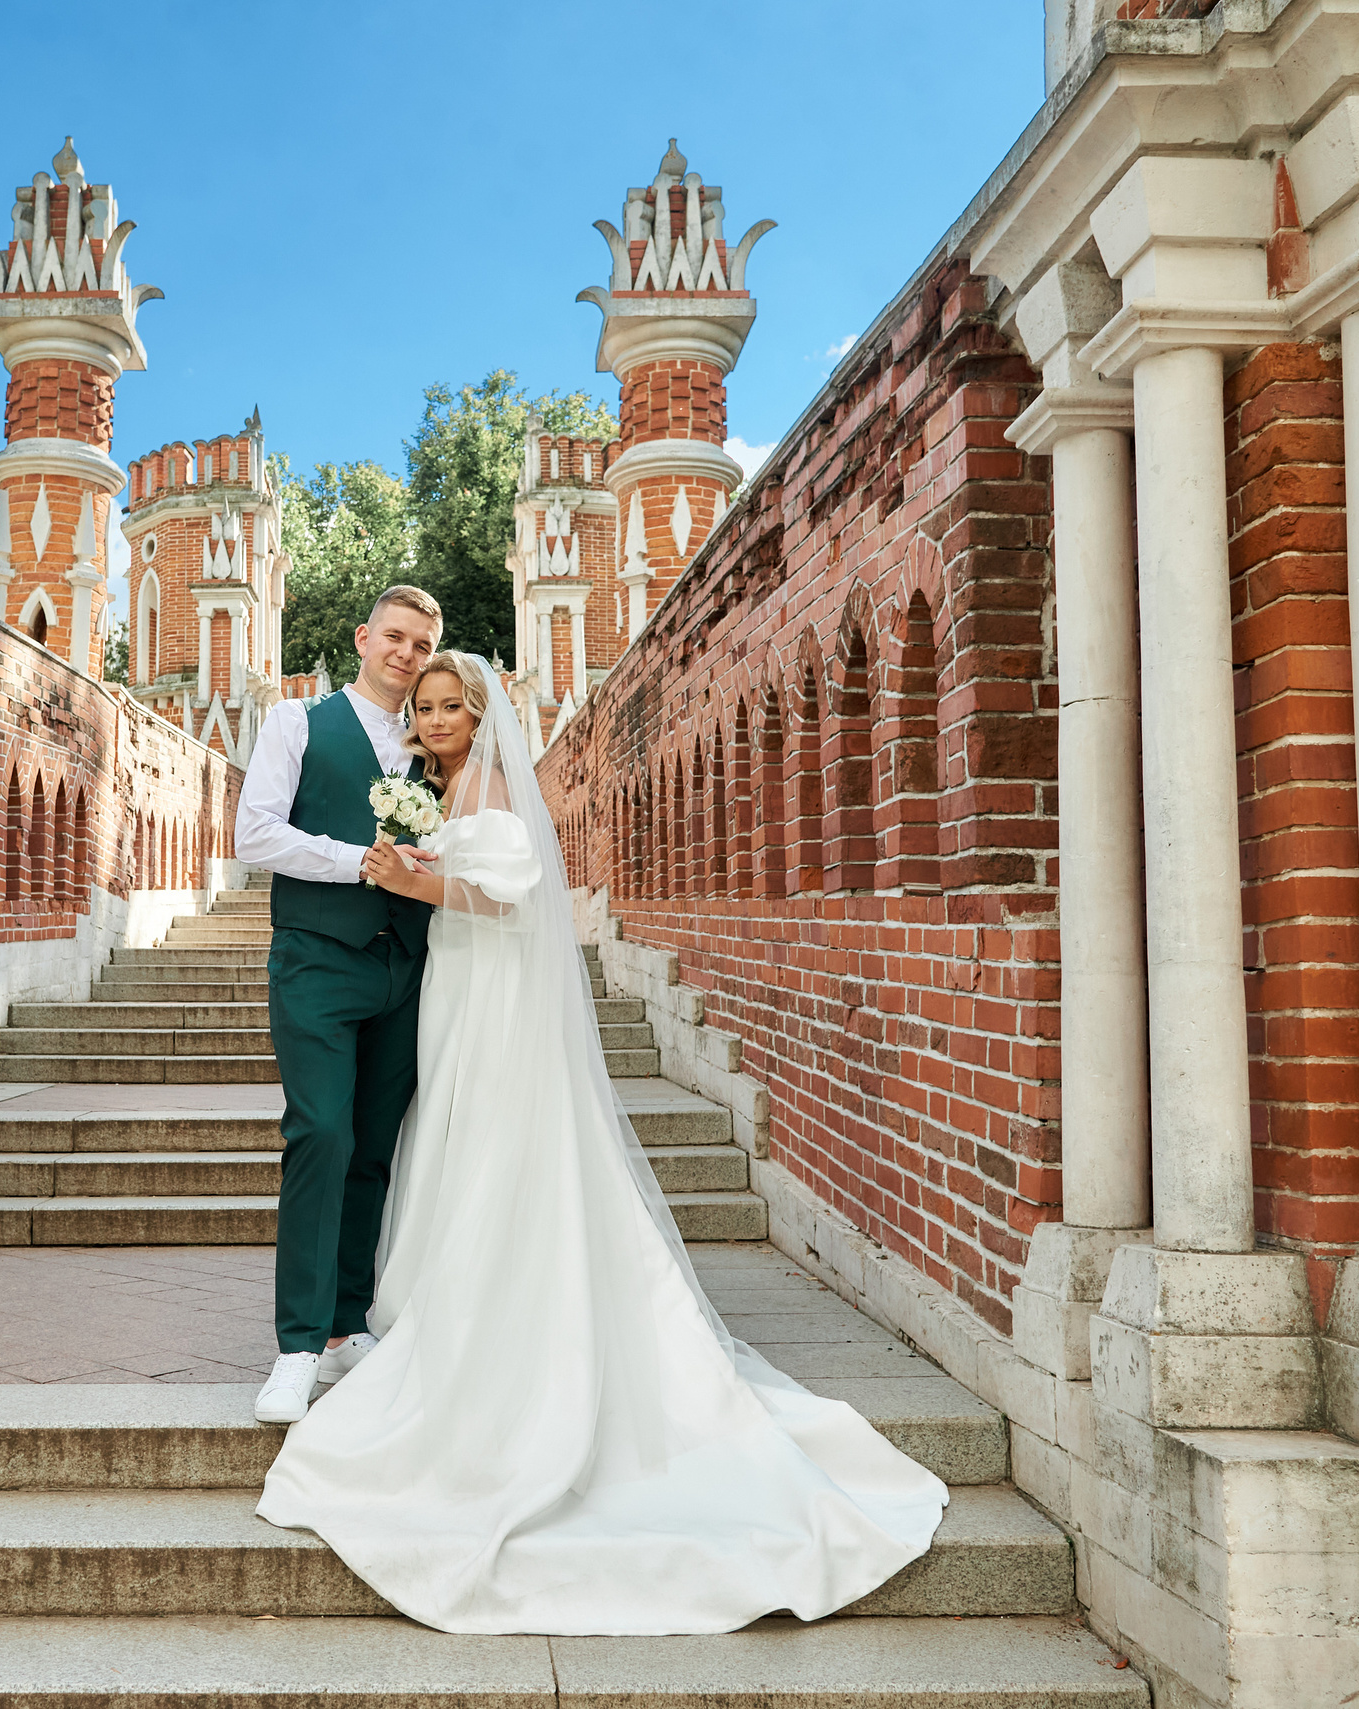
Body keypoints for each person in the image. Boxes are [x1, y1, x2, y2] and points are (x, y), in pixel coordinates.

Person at [255, 652, 950, 1636]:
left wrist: (407, 882)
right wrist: (377, 866)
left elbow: (504, 898)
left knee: (496, 1150)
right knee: (440, 1147)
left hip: (492, 994)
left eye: (455, 704)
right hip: (440, 996)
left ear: (483, 712)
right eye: (426, 706)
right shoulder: (415, 786)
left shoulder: (495, 784)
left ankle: (508, 1319)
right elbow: (391, 862)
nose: (441, 717)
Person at [232, 584, 443, 1425]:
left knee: (373, 1148)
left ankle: (347, 1327)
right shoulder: (298, 723)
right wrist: (358, 860)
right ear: (364, 637)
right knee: (321, 1133)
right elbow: (255, 836)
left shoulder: (436, 736)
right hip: (318, 959)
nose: (406, 654)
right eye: (395, 636)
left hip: (408, 965)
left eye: (422, 644)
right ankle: (294, 1346)